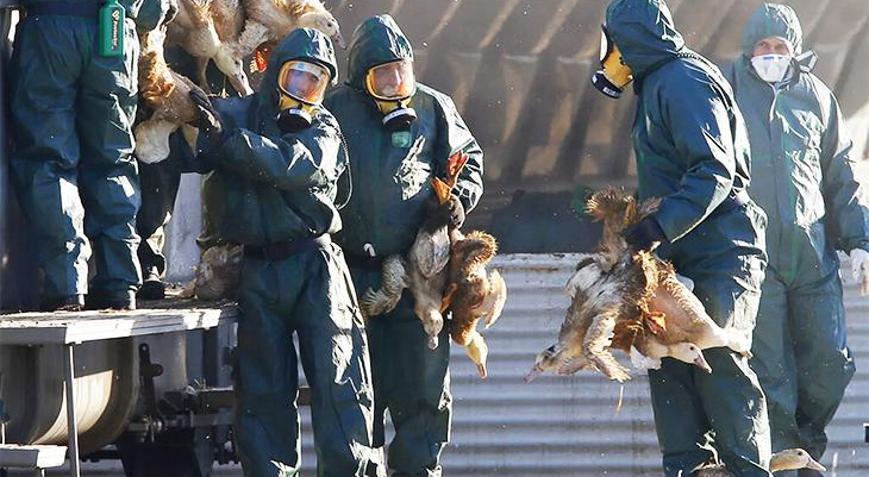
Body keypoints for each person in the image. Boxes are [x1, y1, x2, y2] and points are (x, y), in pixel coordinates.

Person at [188, 28, 379, 476]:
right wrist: (199, 120)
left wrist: (228, 140)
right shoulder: (238, 112)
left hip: (318, 266)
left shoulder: (325, 128)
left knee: (341, 386)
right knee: (262, 392)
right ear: (275, 74)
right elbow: (193, 147)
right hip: (258, 268)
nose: (305, 92)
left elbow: (293, 165)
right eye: (297, 78)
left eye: (316, 83)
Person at [594, 1, 772, 475]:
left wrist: (659, 224)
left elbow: (714, 170)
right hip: (678, 255)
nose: (608, 54)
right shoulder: (656, 84)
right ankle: (687, 467)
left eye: (612, 40)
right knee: (669, 364)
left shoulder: (682, 80)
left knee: (719, 360)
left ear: (627, 37)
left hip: (720, 249)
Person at [324, 14, 484, 477]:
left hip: (420, 279)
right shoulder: (334, 107)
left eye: (402, 70)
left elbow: (468, 159)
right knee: (355, 394)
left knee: (424, 394)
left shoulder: (433, 108)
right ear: (360, 77)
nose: (395, 83)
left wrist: (457, 201)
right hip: (350, 277)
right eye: (382, 74)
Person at [725, 4, 867, 473]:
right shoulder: (726, 92)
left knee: (831, 365)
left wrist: (860, 240)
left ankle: (806, 450)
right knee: (772, 375)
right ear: (748, 51)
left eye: (779, 47)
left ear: (796, 50)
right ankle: (787, 463)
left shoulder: (818, 98)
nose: (770, 54)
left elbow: (841, 176)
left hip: (812, 259)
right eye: (761, 47)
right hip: (754, 259)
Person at [9, 0, 175, 311]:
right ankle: (120, 283)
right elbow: (155, 12)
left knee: (49, 156)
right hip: (113, 33)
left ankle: (67, 284)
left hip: (52, 29)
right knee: (113, 160)